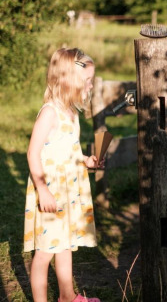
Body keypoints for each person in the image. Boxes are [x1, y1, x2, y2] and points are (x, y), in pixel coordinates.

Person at [24, 48, 103, 302]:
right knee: (45, 253)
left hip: (69, 190)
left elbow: (67, 148)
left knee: (65, 244)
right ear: (68, 80)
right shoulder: (49, 113)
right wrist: (42, 188)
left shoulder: (72, 112)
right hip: (52, 191)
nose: (90, 85)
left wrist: (85, 160)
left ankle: (67, 297)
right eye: (86, 80)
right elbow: (32, 153)